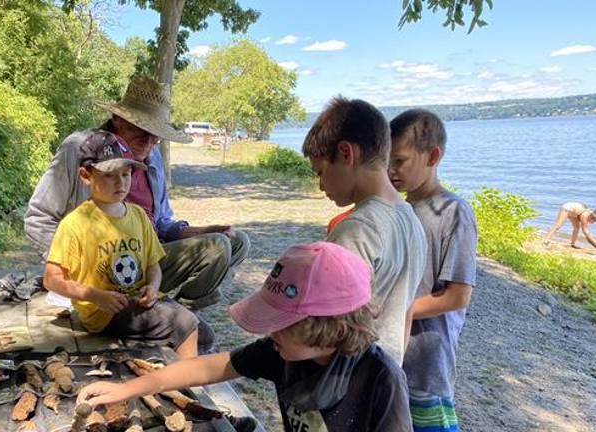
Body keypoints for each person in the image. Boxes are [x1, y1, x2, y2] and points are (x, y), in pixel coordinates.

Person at [77, 242, 412, 432]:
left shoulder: (380, 380)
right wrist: (125, 389)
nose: (270, 331)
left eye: (281, 323)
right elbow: (204, 369)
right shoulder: (280, 352)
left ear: (331, 330)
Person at [24, 76, 251, 351]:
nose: (151, 141)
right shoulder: (81, 149)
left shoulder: (152, 156)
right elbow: (39, 217)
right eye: (143, 130)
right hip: (98, 278)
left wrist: (203, 232)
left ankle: (173, 312)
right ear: (118, 119)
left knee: (232, 242)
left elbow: (161, 224)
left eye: (157, 134)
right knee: (201, 315)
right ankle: (166, 324)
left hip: (142, 258)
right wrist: (77, 279)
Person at [42, 132, 198, 358]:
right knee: (185, 324)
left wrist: (153, 288)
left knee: (204, 333)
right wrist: (95, 296)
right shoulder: (75, 224)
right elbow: (51, 279)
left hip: (138, 302)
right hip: (104, 313)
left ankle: (168, 367)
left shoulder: (138, 216)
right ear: (86, 176)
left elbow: (153, 266)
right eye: (109, 176)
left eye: (126, 174)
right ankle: (188, 384)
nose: (121, 182)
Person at [301, 97, 427, 365]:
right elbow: (406, 312)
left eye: (320, 172)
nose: (321, 185)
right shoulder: (412, 220)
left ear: (346, 154)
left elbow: (330, 325)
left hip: (345, 378)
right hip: (384, 376)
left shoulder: (355, 231)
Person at [389, 109, 477, 432]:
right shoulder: (397, 210)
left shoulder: (454, 213)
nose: (390, 170)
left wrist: (400, 309)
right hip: (391, 353)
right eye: (386, 161)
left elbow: (457, 295)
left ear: (433, 156)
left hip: (428, 362)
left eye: (399, 161)